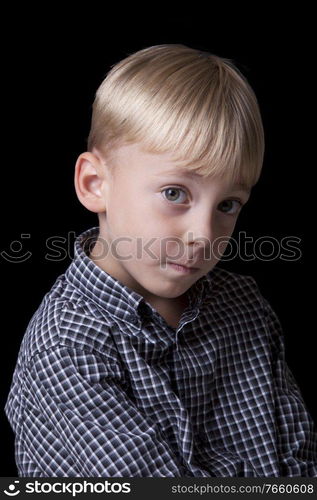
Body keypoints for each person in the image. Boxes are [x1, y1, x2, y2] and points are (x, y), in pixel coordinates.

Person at [5, 44, 317, 477]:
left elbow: (298, 460)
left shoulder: (245, 308)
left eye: (228, 204)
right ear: (95, 184)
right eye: (175, 194)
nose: (203, 235)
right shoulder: (68, 344)